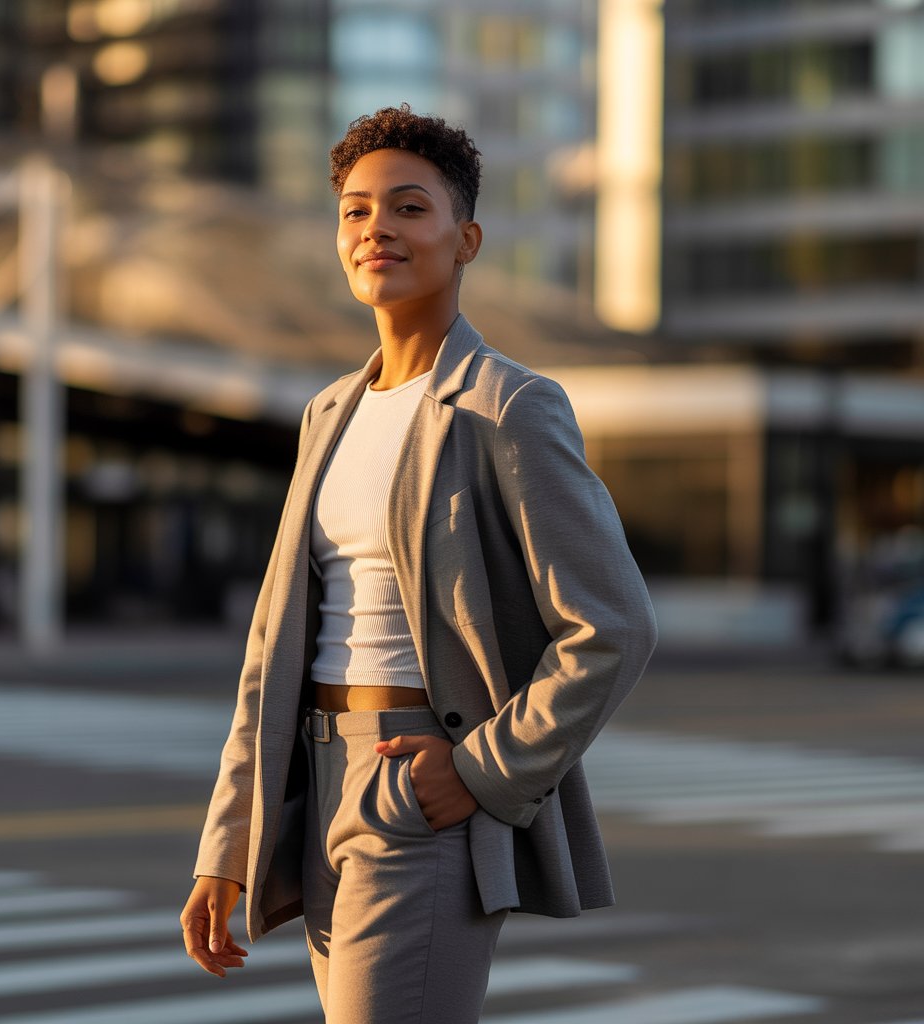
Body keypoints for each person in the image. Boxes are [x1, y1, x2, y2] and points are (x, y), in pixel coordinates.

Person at [180, 103, 658, 1024]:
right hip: (310, 786)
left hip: (416, 785)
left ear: (465, 239)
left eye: (408, 207)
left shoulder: (507, 407)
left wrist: (481, 770)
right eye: (356, 211)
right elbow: (271, 652)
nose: (377, 229)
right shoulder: (330, 412)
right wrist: (226, 845)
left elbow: (614, 627)